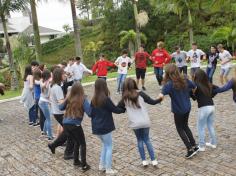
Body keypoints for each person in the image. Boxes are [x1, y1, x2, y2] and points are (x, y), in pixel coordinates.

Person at [158, 64, 199, 158]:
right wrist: (190, 94)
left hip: (178, 110)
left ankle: (189, 149)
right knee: (185, 126)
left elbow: (161, 96)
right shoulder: (185, 79)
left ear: (168, 73)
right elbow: (194, 86)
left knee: (180, 128)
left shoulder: (168, 84)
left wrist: (157, 101)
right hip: (187, 107)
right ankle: (194, 145)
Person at [118, 78, 161, 166]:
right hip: (145, 122)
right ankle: (153, 160)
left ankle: (144, 161)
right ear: (134, 84)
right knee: (147, 140)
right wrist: (160, 99)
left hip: (134, 123)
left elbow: (118, 108)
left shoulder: (124, 97)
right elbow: (152, 102)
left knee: (140, 140)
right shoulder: (140, 93)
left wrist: (124, 109)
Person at [90, 79, 125, 174]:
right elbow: (115, 110)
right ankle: (108, 169)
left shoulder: (93, 99)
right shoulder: (105, 99)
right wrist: (123, 108)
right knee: (109, 146)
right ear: (104, 86)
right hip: (105, 127)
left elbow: (90, 113)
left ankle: (102, 166)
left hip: (96, 128)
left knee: (105, 145)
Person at [59, 82, 91, 171]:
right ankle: (84, 165)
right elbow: (90, 113)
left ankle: (76, 161)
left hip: (65, 124)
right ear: (81, 90)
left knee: (76, 141)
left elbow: (60, 107)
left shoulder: (70, 97)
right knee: (82, 144)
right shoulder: (83, 99)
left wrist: (66, 98)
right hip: (74, 124)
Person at [48, 67, 74, 160]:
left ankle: (53, 145)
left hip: (57, 112)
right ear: (59, 76)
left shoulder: (54, 86)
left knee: (68, 131)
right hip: (60, 113)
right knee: (71, 132)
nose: (65, 75)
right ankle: (68, 153)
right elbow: (61, 104)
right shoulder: (57, 88)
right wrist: (68, 96)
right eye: (63, 74)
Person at [192, 69, 217, 151]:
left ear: (196, 76)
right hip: (211, 106)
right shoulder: (208, 84)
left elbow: (193, 97)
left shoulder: (195, 85)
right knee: (210, 125)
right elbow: (217, 89)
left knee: (200, 127)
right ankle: (213, 143)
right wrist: (211, 95)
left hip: (203, 108)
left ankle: (201, 146)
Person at [38, 69, 53, 140]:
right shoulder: (48, 83)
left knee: (47, 118)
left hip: (41, 101)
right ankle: (50, 136)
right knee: (49, 119)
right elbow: (49, 94)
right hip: (44, 102)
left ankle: (44, 132)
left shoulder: (42, 81)